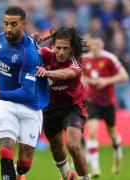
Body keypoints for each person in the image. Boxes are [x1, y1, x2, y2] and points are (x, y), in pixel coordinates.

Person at [0, 6, 49, 180]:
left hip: (29, 106)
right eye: (6, 23)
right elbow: (1, 60)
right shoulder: (1, 38)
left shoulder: (28, 54)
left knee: (24, 165)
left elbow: (26, 92)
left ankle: (18, 174)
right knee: (6, 145)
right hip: (6, 104)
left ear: (23, 24)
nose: (9, 28)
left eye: (14, 24)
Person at [34, 27, 91, 180]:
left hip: (73, 106)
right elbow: (26, 54)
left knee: (73, 146)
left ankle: (86, 178)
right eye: (58, 47)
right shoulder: (47, 53)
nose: (61, 52)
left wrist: (47, 73)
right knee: (56, 148)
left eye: (65, 48)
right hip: (51, 107)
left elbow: (66, 74)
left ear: (71, 48)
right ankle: (66, 174)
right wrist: (31, 43)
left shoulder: (76, 62)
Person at [82, 34, 129, 177]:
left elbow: (124, 76)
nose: (95, 47)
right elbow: (82, 76)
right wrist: (84, 81)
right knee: (91, 131)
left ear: (102, 44)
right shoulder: (85, 59)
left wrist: (106, 81)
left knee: (112, 134)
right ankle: (96, 168)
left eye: (97, 44)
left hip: (108, 102)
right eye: (92, 44)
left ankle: (117, 155)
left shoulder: (110, 58)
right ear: (89, 45)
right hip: (92, 101)